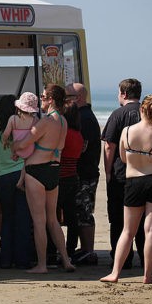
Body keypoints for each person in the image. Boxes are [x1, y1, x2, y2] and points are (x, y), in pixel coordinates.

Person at [101, 95, 152, 284]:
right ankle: (148, 275)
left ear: (141, 110)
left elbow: (122, 157)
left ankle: (115, 273)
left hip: (133, 180)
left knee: (127, 230)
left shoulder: (127, 131)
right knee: (151, 229)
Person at [13, 84, 75, 273]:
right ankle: (66, 260)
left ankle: (41, 265)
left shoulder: (46, 121)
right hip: (54, 169)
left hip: (37, 171)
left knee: (39, 221)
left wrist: (14, 146)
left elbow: (24, 143)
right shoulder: (63, 121)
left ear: (51, 100)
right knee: (53, 220)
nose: (41, 99)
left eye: (43, 96)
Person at [101, 78, 147, 269]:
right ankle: (148, 258)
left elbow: (109, 146)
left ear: (124, 94)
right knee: (145, 220)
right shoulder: (151, 114)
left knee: (119, 220)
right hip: (147, 172)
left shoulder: (117, 114)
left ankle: (123, 259)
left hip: (122, 173)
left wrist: (108, 170)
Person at [0, 95, 34, 269]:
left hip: (2, 176)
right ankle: (22, 260)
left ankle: (5, 259)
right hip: (20, 174)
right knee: (22, 218)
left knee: (7, 218)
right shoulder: (18, 130)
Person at [66, 83, 101, 265]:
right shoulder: (84, 115)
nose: (64, 100)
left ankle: (88, 250)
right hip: (85, 172)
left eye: (67, 96)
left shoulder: (85, 118)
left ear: (77, 98)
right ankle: (86, 249)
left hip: (85, 173)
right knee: (80, 212)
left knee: (84, 213)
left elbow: (82, 146)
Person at [57, 101, 84, 258]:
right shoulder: (78, 135)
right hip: (73, 177)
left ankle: (53, 249)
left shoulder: (64, 133)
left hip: (61, 177)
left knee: (53, 218)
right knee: (71, 216)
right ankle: (70, 249)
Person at [2, 92, 39, 189]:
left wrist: (4, 141)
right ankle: (20, 181)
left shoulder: (12, 119)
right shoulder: (35, 120)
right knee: (26, 162)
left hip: (16, 148)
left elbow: (6, 134)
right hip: (29, 149)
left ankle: (15, 155)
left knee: (14, 148)